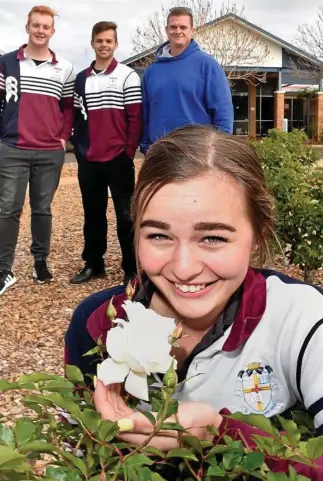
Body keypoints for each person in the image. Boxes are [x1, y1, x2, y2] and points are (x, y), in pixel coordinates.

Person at [65, 125, 323, 478]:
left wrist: (222, 434)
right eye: (158, 235)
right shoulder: (95, 324)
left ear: (257, 234)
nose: (184, 268)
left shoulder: (304, 320)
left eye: (213, 238)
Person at [0, 5, 75, 295]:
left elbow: (67, 107)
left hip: (48, 152)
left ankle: (40, 262)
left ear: (52, 31)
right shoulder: (7, 63)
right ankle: (4, 271)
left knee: (42, 209)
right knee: (7, 210)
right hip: (12, 148)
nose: (40, 30)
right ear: (27, 27)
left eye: (46, 26)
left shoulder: (64, 68)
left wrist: (62, 138)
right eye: (36, 25)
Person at [70, 21, 142, 285]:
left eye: (108, 41)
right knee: (93, 214)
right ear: (92, 43)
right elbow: (76, 117)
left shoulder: (127, 75)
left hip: (118, 159)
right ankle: (94, 264)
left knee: (126, 216)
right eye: (99, 40)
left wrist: (128, 151)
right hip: (89, 160)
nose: (104, 45)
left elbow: (135, 118)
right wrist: (78, 148)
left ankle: (131, 269)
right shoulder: (81, 79)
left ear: (116, 44)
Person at [140, 6, 233, 155]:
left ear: (192, 30)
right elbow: (145, 112)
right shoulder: (152, 71)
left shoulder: (208, 65)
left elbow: (223, 111)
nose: (178, 31)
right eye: (173, 27)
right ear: (166, 30)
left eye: (183, 27)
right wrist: (145, 146)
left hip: (196, 153)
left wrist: (220, 151)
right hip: (160, 152)